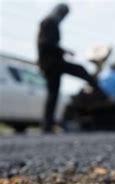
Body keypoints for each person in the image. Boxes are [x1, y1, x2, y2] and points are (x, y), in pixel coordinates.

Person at [37, 3, 104, 133]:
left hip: (53, 63)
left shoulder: (51, 22)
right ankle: (99, 91)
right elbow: (44, 43)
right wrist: (63, 50)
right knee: (79, 71)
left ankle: (47, 126)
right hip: (52, 64)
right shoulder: (49, 22)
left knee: (53, 94)